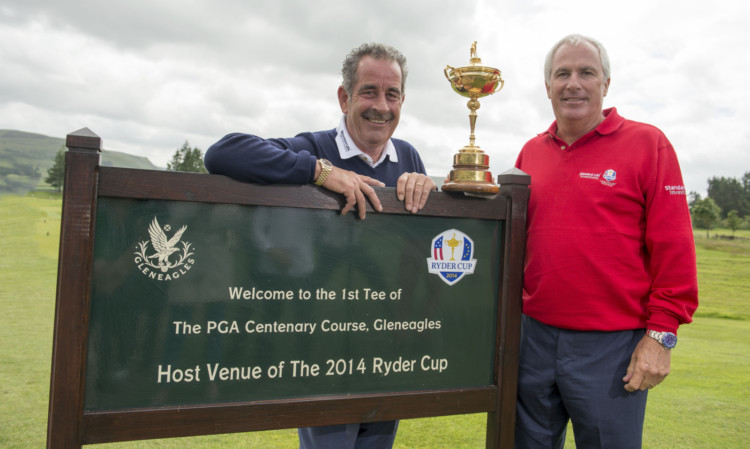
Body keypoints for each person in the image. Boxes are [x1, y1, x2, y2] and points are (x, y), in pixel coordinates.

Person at [204, 42, 436, 449]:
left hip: (383, 347)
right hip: (322, 353)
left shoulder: (409, 156)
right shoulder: (314, 148)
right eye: (369, 91)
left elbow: (415, 253)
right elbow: (222, 153)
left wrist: (426, 188)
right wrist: (319, 172)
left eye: (392, 94)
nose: (381, 105)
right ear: (344, 97)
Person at [513, 34, 699, 449]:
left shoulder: (648, 144)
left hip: (612, 348)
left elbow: (676, 249)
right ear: (548, 87)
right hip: (534, 341)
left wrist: (661, 335)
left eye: (586, 73)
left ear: (606, 84)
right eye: (562, 74)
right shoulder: (530, 153)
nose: (573, 83)